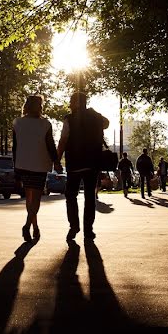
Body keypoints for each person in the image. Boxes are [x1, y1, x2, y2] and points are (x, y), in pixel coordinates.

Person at [57, 92, 109, 241]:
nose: (70, 104)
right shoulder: (95, 117)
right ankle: (88, 230)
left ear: (76, 103)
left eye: (72, 101)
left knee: (71, 195)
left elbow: (63, 140)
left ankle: (74, 226)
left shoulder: (69, 119)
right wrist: (94, 113)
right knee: (89, 197)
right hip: (92, 164)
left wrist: (57, 160)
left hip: (74, 164)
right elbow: (106, 123)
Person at [13, 95, 58, 241]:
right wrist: (56, 162)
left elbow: (15, 147)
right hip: (39, 164)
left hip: (23, 164)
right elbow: (50, 145)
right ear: (39, 106)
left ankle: (35, 227)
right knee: (36, 200)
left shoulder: (17, 123)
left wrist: (16, 167)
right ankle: (27, 225)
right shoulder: (45, 124)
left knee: (29, 198)